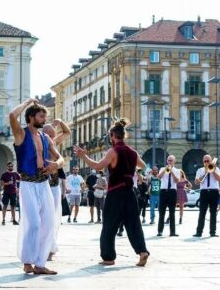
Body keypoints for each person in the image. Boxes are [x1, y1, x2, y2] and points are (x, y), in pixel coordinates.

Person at [74, 119, 149, 267]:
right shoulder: (132, 152)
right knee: (134, 224)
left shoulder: (113, 151)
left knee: (109, 225)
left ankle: (108, 257)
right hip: (130, 193)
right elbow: (143, 165)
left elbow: (97, 166)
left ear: (113, 135)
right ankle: (142, 252)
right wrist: (134, 171)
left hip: (115, 193)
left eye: (110, 136)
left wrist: (83, 156)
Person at [10, 98, 63, 275]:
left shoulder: (45, 137)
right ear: (32, 117)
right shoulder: (21, 134)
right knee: (33, 223)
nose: (44, 120)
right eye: (41, 116)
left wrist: (56, 165)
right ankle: (27, 261)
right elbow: (12, 115)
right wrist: (27, 103)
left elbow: (60, 158)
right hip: (27, 183)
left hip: (44, 183)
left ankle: (40, 264)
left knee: (48, 223)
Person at [42, 121, 70, 260]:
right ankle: (45, 247)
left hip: (54, 185)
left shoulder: (53, 143)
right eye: (50, 135)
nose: (53, 137)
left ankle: (51, 248)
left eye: (53, 135)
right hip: (43, 183)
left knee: (55, 219)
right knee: (45, 219)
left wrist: (60, 122)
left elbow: (67, 132)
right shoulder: (40, 143)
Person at [194, 154, 220, 238]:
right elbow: (196, 182)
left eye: (208, 161)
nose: (206, 163)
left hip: (214, 192)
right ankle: (199, 232)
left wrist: (212, 171)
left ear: (210, 161)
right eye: (204, 161)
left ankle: (212, 232)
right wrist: (205, 173)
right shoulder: (200, 170)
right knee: (202, 212)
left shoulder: (216, 169)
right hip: (204, 192)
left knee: (213, 213)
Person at [157, 155, 180, 237]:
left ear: (174, 161)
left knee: (172, 213)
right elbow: (159, 177)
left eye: (171, 160)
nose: (169, 162)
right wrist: (165, 170)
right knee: (161, 212)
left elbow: (177, 180)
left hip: (172, 191)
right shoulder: (162, 169)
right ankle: (160, 231)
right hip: (163, 191)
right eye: (168, 160)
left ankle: (172, 232)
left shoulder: (177, 170)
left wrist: (171, 171)